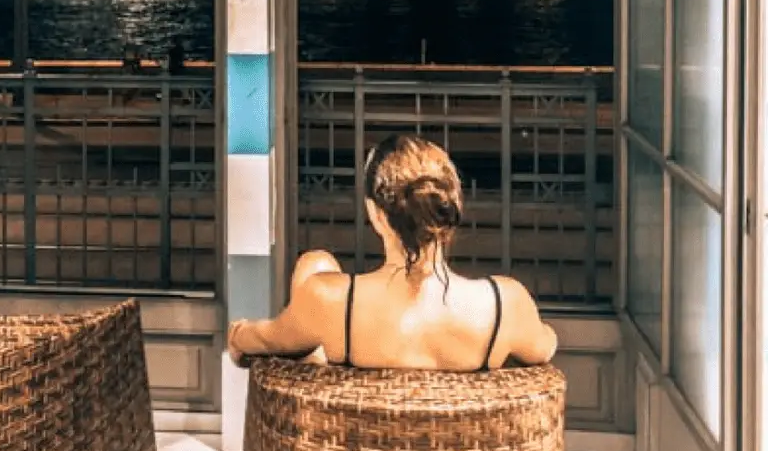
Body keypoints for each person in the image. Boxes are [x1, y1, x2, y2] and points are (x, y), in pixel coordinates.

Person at [227, 135, 558, 370]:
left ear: (376, 213)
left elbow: (264, 340)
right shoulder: (505, 304)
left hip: (352, 442)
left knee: (314, 265)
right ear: (451, 209)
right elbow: (545, 346)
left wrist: (238, 334)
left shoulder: (330, 299)